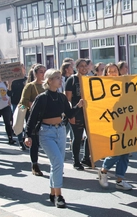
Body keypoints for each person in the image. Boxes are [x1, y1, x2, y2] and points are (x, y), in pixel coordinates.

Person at [24, 69, 83, 208]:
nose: (60, 80)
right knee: (57, 162)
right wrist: (28, 135)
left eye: (60, 77)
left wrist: (78, 106)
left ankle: (52, 193)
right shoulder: (42, 98)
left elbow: (68, 113)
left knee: (57, 164)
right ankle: (59, 196)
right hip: (46, 132)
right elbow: (31, 119)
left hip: (61, 131)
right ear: (49, 80)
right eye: (57, 77)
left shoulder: (61, 97)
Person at [97, 63, 133, 190]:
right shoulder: (102, 86)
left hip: (127, 120)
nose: (112, 73)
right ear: (106, 73)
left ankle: (120, 179)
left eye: (115, 70)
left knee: (126, 150)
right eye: (109, 71)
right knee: (116, 151)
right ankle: (104, 170)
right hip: (112, 121)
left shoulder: (125, 83)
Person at [20, 64, 46, 175]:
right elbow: (23, 101)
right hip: (34, 118)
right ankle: (34, 164)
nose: (43, 74)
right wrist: (35, 106)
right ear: (35, 74)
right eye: (41, 72)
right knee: (34, 142)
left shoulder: (48, 85)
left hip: (46, 118)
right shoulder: (30, 86)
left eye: (45, 71)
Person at [65, 58, 92, 170]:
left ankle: (86, 158)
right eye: (81, 66)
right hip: (77, 112)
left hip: (89, 113)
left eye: (86, 65)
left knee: (89, 136)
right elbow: (68, 100)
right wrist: (71, 115)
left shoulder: (90, 79)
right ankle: (76, 161)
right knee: (78, 137)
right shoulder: (71, 80)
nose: (84, 68)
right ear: (77, 68)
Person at [7, 64, 27, 150]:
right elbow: (9, 94)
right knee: (19, 121)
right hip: (18, 104)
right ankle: (20, 141)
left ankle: (26, 137)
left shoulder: (27, 80)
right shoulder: (14, 81)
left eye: (23, 68)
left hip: (26, 103)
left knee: (29, 121)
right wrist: (9, 84)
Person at [59, 62, 75, 146]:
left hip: (73, 105)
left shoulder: (73, 78)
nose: (73, 69)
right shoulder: (62, 79)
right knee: (66, 126)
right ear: (66, 69)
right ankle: (61, 141)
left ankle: (72, 142)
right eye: (71, 67)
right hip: (65, 105)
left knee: (72, 126)